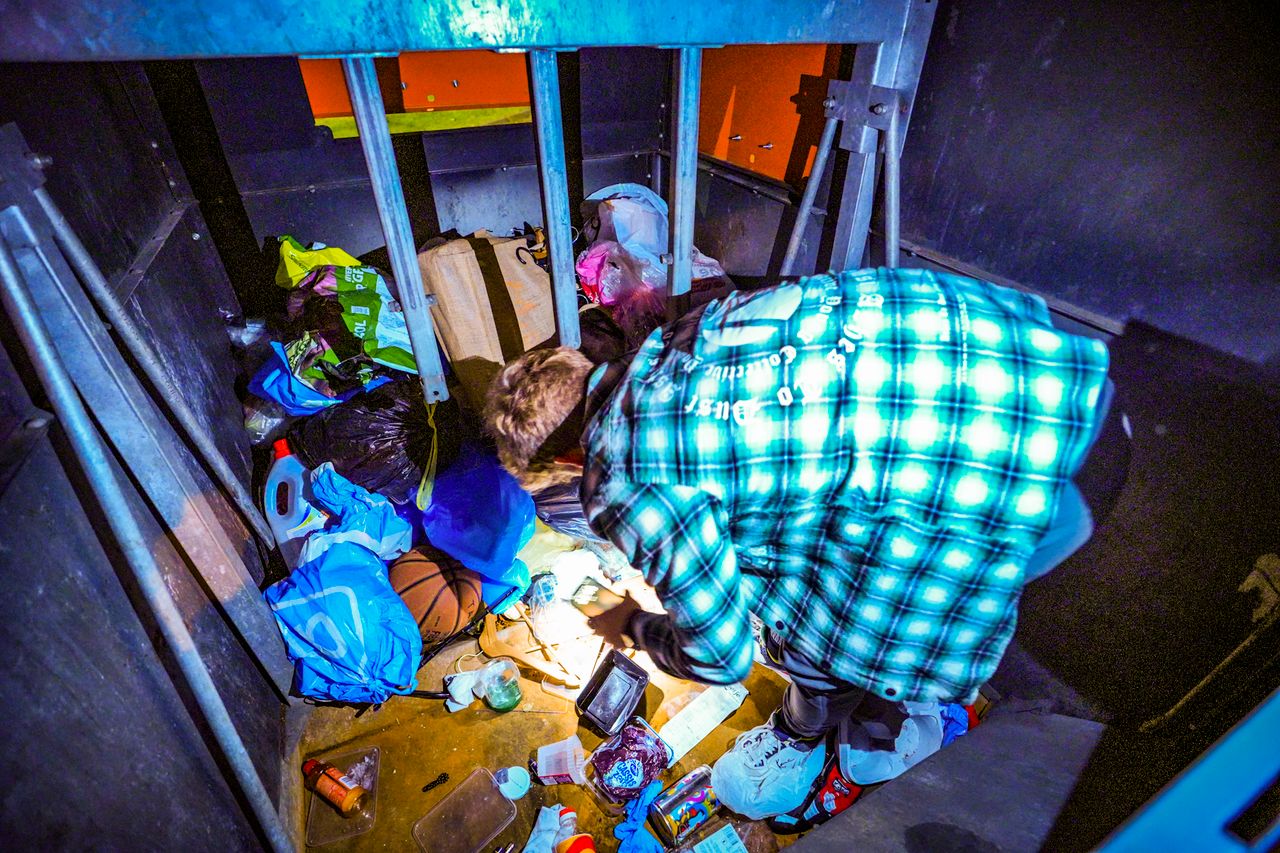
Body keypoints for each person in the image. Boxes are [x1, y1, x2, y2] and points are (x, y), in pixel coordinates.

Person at [484, 267, 1110, 818]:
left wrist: (632, 624)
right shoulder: (686, 335)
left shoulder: (621, 477)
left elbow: (720, 657)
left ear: (568, 462)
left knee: (818, 641)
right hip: (1058, 377)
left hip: (1036, 489)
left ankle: (809, 731)